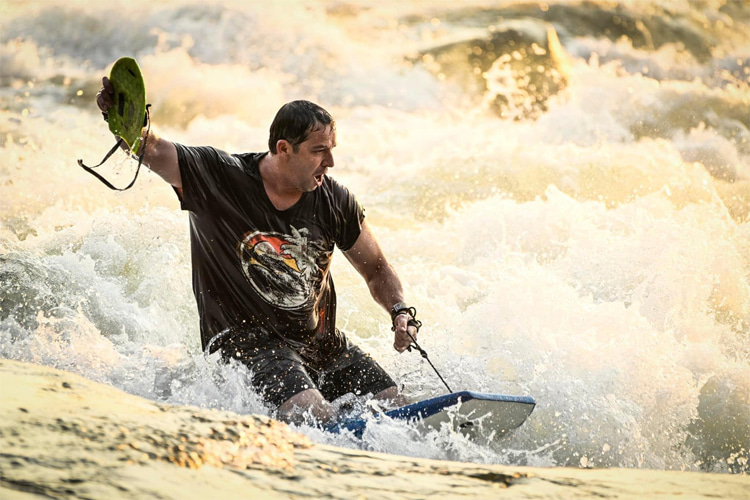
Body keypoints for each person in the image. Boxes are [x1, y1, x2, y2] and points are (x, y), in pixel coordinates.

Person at [95, 76, 422, 424]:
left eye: (332, 149)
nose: (330, 163)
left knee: (398, 410)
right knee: (317, 418)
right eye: (318, 151)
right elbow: (155, 150)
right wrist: (123, 119)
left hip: (319, 343)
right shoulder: (220, 177)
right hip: (245, 343)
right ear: (284, 149)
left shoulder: (335, 201)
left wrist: (400, 311)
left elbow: (377, 270)